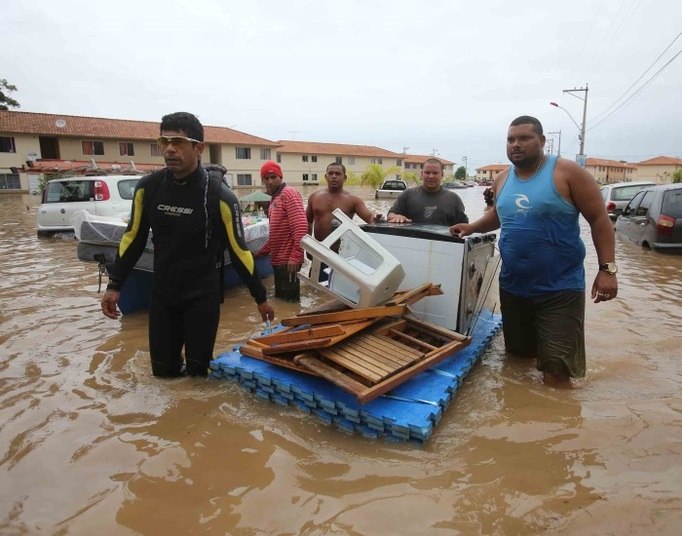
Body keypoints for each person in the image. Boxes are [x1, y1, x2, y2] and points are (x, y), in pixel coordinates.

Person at [101, 112, 274, 378]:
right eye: (164, 141)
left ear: (198, 148)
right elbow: (132, 237)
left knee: (199, 374)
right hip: (162, 294)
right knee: (163, 374)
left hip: (202, 297)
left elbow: (239, 251)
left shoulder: (220, 197)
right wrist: (115, 286)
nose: (169, 149)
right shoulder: (149, 188)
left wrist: (260, 299)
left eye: (178, 141)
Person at [451, 115, 618, 387]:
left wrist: (607, 270)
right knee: (518, 362)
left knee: (556, 373)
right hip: (514, 287)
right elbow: (500, 215)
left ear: (542, 141)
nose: (516, 144)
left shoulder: (567, 172)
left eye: (524, 138)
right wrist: (472, 227)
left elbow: (600, 220)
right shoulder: (502, 179)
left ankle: (560, 425)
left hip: (560, 289)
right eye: (511, 139)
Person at [255, 161, 308, 302]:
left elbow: (301, 226)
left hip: (289, 262)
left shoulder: (288, 194)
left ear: (281, 177)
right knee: (281, 300)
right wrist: (259, 253)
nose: (270, 181)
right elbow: (276, 235)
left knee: (290, 303)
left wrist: (296, 255)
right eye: (266, 178)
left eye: (274, 177)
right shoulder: (274, 199)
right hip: (279, 261)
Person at [306, 162, 383, 241]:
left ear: (345, 178)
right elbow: (307, 222)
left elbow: (369, 218)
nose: (334, 176)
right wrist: (307, 245)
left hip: (343, 250)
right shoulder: (314, 197)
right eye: (330, 173)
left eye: (338, 174)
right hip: (318, 248)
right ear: (326, 177)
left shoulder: (353, 200)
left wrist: (376, 218)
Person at [387, 158, 468, 225]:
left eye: (435, 173)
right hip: (411, 242)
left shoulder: (454, 199)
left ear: (442, 175)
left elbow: (464, 227)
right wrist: (396, 217)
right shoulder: (407, 194)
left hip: (443, 243)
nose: (431, 176)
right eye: (427, 172)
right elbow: (390, 214)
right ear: (422, 174)